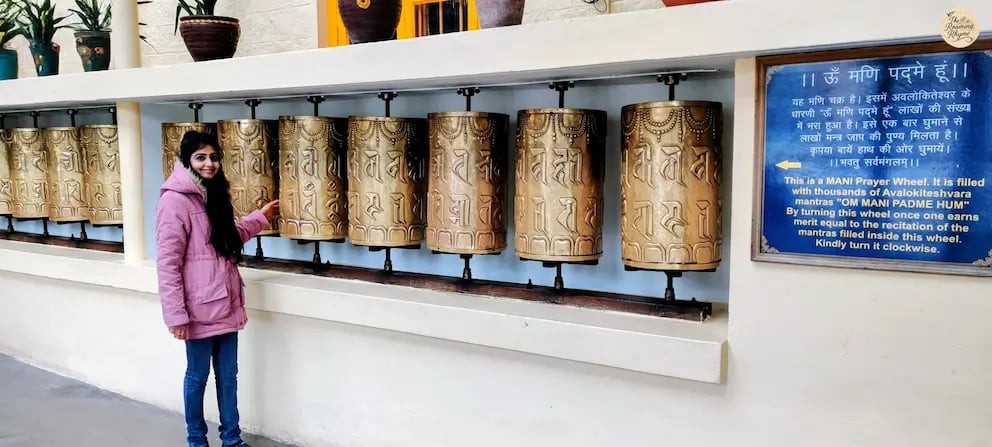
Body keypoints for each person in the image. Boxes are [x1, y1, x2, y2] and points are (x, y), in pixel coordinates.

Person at [155, 130, 279, 447]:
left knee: (228, 378)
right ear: (187, 160)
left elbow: (226, 238)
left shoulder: (213, 194)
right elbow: (167, 262)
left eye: (213, 157)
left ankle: (232, 440)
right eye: (201, 157)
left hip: (225, 302)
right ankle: (197, 441)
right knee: (197, 379)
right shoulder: (174, 201)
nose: (209, 164)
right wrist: (176, 316)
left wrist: (259, 219)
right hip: (197, 310)